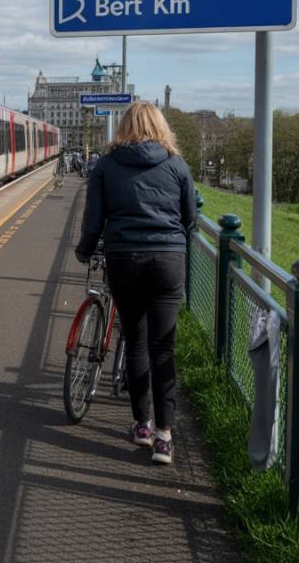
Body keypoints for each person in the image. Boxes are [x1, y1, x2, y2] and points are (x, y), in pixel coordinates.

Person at [74, 101, 195, 465]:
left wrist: (85, 250)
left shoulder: (107, 165)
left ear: (122, 127)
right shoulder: (176, 164)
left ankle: (141, 425)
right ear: (161, 126)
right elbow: (190, 217)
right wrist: (173, 241)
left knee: (136, 340)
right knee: (164, 348)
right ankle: (165, 438)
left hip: (124, 258)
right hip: (168, 261)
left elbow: (94, 218)